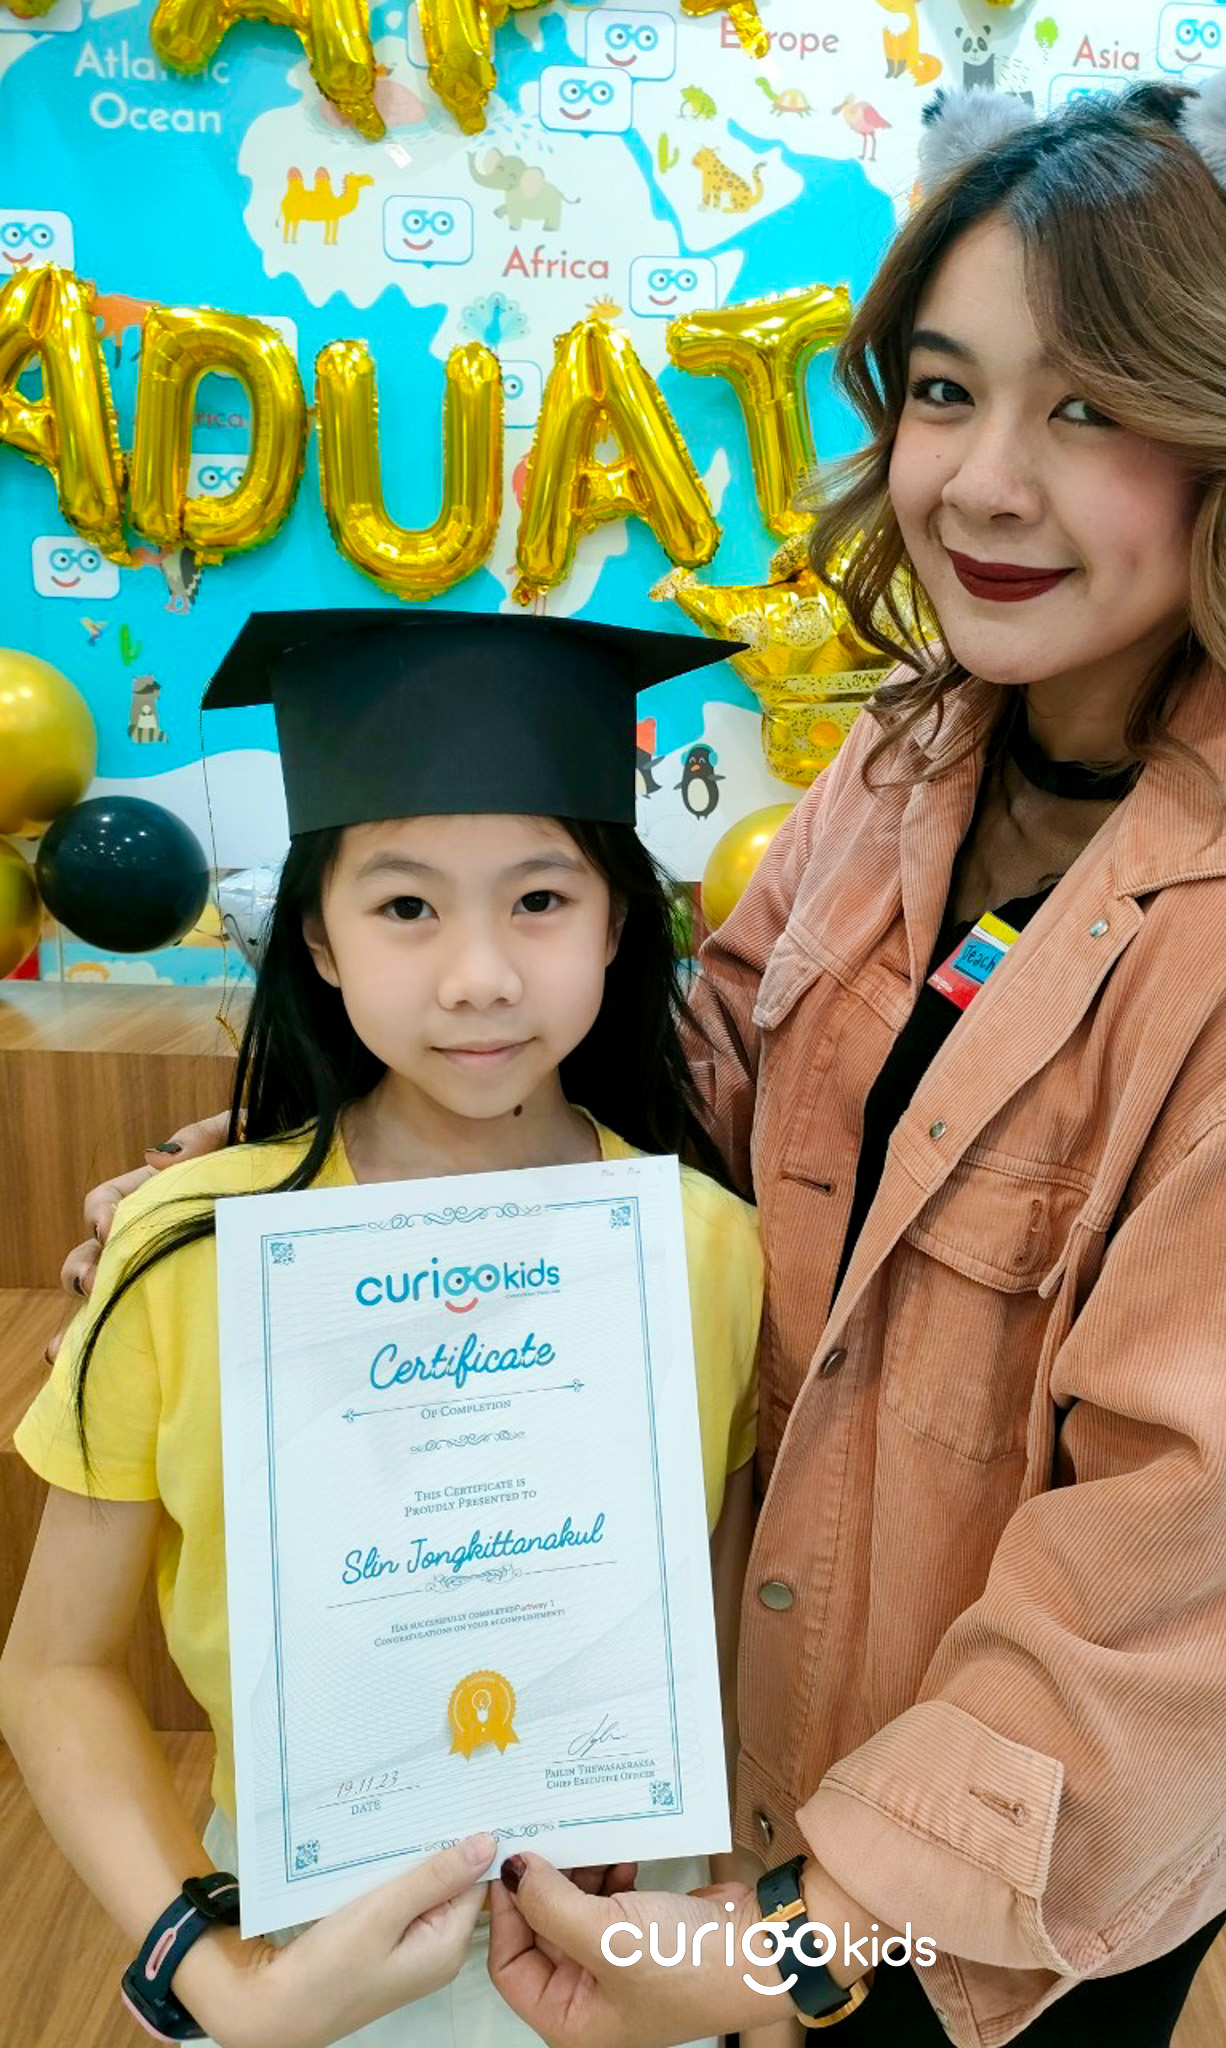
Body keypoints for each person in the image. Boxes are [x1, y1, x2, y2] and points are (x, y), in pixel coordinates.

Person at [54, 31, 1226, 2048]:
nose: (984, 479)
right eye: (946, 391)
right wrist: (326, 1202)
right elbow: (708, 1082)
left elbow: (1166, 1576)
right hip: (768, 1755)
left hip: (982, 1901)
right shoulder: (912, 755)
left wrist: (794, 1946)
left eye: (1090, 406)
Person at [1, 612, 763, 2048]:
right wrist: (216, 1982)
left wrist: (719, 1934)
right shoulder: (189, 1254)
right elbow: (53, 1668)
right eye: (406, 907)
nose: (478, 975)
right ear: (319, 939)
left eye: (541, 900)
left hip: (620, 1951)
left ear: (618, 924)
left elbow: (709, 1629)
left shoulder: (705, 1248)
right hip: (309, 1954)